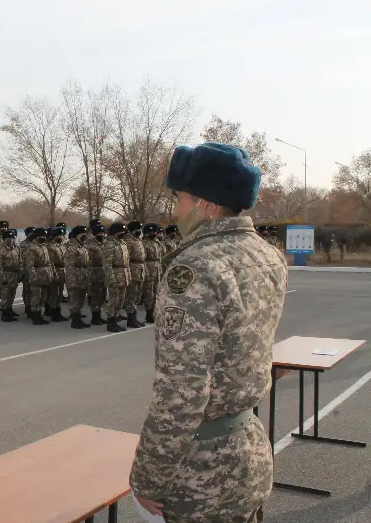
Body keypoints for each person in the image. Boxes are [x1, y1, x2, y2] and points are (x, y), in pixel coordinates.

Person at [130, 142, 288, 522]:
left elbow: (182, 392)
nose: (175, 209)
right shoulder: (266, 255)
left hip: (202, 470)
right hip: (248, 448)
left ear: (207, 206)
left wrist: (148, 478)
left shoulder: (197, 268)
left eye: (180, 198)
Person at [22, 227, 55, 326]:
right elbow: (29, 265)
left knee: (43, 297)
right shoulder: (31, 248)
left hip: (45, 276)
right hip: (36, 275)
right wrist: (33, 277)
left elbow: (49, 262)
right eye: (41, 236)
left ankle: (39, 314)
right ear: (36, 237)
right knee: (36, 297)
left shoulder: (44, 247)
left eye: (44, 236)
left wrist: (51, 274)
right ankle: (35, 316)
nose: (43, 238)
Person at [102, 222, 131, 333]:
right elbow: (107, 265)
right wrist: (111, 279)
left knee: (121, 299)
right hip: (114, 275)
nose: (123, 234)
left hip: (123, 275)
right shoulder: (109, 245)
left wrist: (128, 275)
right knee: (114, 299)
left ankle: (116, 318)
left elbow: (126, 262)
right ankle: (111, 322)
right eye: (121, 232)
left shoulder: (122, 243)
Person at [0, 228, 21, 322]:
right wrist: (2, 277)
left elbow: (20, 261)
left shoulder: (16, 248)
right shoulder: (0, 249)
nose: (11, 240)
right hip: (5, 274)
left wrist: (20, 272)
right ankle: (4, 314)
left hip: (14, 274)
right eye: (8, 238)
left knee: (12, 294)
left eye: (12, 238)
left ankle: (10, 310)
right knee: (5, 295)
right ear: (4, 239)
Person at [64, 226, 91, 329]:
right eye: (82, 234)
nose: (84, 236)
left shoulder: (83, 247)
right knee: (75, 299)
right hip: (75, 278)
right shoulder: (72, 248)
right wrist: (72, 281)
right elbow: (69, 266)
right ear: (76, 235)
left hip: (83, 277)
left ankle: (78, 318)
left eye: (85, 234)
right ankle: (75, 321)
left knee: (81, 299)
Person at [124, 220, 147, 328]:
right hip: (133, 270)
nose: (139, 231)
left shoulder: (138, 240)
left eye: (140, 229)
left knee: (137, 295)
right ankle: (131, 319)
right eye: (137, 229)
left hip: (140, 270)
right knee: (131, 295)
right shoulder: (128, 241)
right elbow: (126, 259)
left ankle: (135, 317)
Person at [140, 224, 164, 324]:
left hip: (157, 269)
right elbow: (143, 260)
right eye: (151, 232)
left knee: (156, 293)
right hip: (149, 269)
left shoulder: (157, 243)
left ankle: (154, 312)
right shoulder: (144, 244)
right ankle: (149, 314)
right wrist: (146, 272)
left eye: (154, 232)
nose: (153, 234)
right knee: (149, 293)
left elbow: (162, 255)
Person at [85, 223, 107, 325]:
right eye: (99, 233)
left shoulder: (105, 244)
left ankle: (99, 315)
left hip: (104, 273)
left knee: (102, 295)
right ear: (95, 234)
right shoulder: (90, 246)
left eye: (103, 233)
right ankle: (95, 317)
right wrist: (91, 276)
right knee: (95, 296)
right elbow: (89, 263)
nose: (102, 235)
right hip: (95, 274)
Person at [46, 226, 68, 322]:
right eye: (60, 235)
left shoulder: (62, 246)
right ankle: (53, 313)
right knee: (54, 294)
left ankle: (58, 312)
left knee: (60, 294)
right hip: (55, 271)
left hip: (62, 271)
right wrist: (54, 274)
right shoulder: (51, 247)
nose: (62, 237)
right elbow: (50, 262)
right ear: (55, 236)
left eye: (62, 235)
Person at [19, 226, 35, 316]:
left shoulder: (36, 243)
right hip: (26, 269)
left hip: (35, 269)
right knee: (27, 290)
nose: (33, 235)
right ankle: (28, 308)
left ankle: (33, 307)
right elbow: (21, 258)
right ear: (27, 234)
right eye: (31, 233)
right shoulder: (23, 244)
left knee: (34, 290)